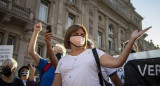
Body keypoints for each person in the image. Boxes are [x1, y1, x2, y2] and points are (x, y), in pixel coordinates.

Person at [52, 24, 151, 86]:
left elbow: (118, 62)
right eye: (76, 34)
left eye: (82, 35)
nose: (80, 37)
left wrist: (132, 40)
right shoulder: (63, 61)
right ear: (69, 37)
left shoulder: (94, 53)